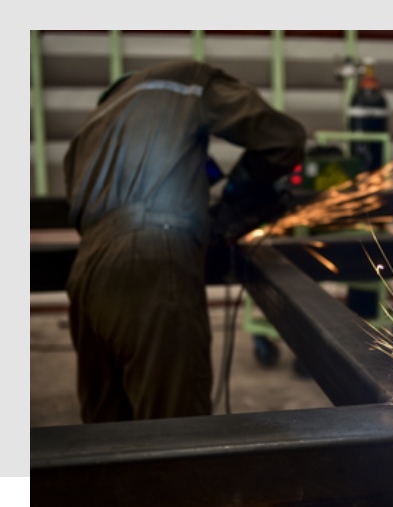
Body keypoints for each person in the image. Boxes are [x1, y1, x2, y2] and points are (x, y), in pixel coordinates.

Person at [63, 60, 307, 423]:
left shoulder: (89, 128)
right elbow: (284, 139)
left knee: (104, 439)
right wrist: (238, 195)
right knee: (176, 436)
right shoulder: (182, 79)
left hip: (84, 277)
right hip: (152, 262)